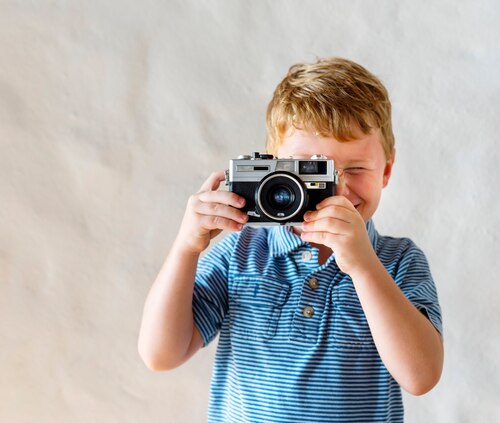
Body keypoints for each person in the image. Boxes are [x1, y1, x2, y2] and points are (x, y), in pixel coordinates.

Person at [138, 57, 443, 422]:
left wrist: (363, 266)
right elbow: (160, 353)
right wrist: (186, 247)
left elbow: (421, 377)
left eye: (357, 168)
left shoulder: (398, 261)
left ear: (386, 171)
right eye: (312, 170)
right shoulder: (241, 252)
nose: (338, 188)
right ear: (273, 167)